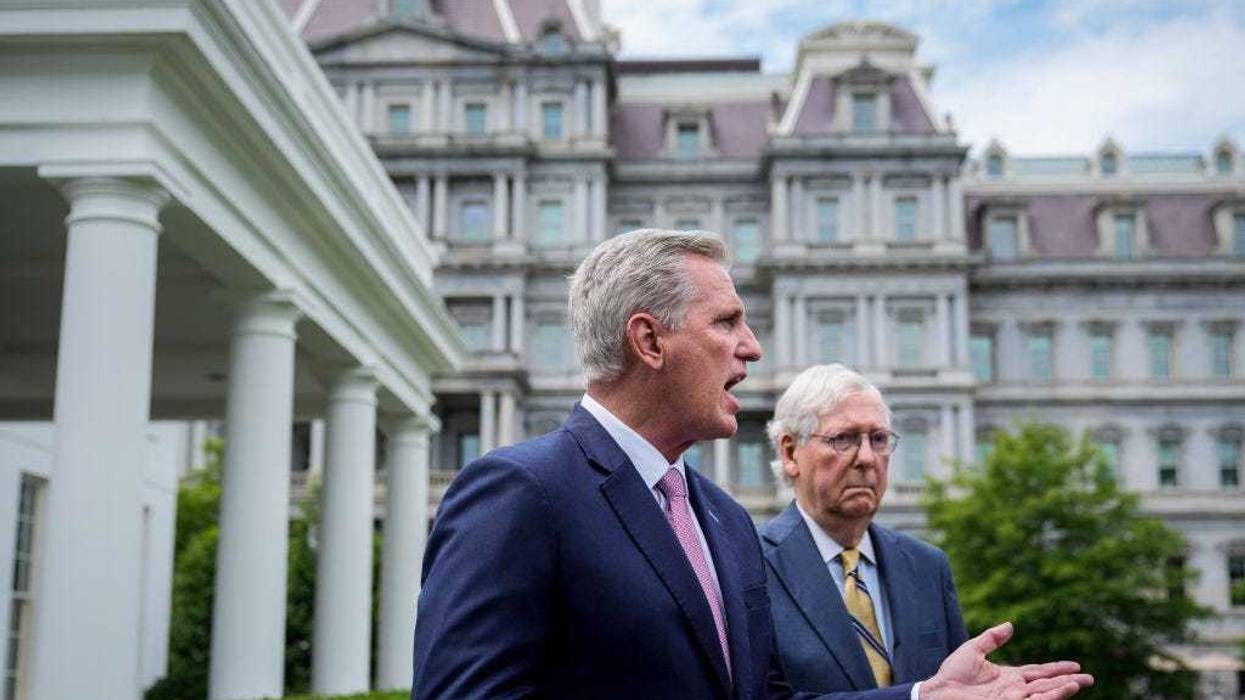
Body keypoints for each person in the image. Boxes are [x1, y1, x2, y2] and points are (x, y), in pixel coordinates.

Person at [412, 229, 1092, 700]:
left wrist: (923, 695)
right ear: (648, 340)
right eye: (726, 323)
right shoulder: (520, 492)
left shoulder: (724, 519)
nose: (752, 348)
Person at [761, 364, 966, 695]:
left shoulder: (928, 566)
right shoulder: (747, 567)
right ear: (789, 452)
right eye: (843, 439)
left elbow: (956, 690)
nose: (868, 458)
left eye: (879, 439)